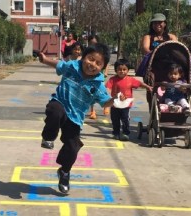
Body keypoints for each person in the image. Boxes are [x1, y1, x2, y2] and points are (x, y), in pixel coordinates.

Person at [38, 43, 119, 194]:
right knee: (54, 111)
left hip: (75, 117)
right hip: (60, 102)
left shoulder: (98, 85)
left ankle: (64, 172)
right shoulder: (72, 66)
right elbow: (59, 65)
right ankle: (48, 137)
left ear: (102, 67)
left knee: (72, 148)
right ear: (83, 57)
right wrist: (45, 60)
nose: (92, 64)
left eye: (98, 63)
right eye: (90, 59)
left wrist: (114, 99)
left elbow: (105, 102)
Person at [136, 13, 178, 110]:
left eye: (160, 22)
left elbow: (177, 48)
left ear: (165, 24)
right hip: (154, 68)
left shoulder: (171, 37)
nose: (157, 25)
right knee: (152, 93)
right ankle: (153, 115)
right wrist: (158, 52)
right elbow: (146, 49)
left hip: (169, 69)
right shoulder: (148, 37)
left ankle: (170, 111)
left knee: (171, 91)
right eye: (155, 23)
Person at [106, 59, 152, 141]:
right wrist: (108, 97)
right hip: (115, 104)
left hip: (126, 105)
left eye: (124, 69)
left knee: (125, 120)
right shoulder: (112, 79)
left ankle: (125, 133)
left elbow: (140, 84)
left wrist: (148, 87)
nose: (122, 71)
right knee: (115, 120)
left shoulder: (130, 80)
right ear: (116, 70)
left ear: (128, 70)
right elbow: (107, 88)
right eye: (119, 69)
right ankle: (116, 133)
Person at [87, 35, 110, 119]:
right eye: (91, 43)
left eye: (94, 43)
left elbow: (107, 63)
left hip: (99, 76)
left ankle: (106, 105)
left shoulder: (101, 51)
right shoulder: (87, 52)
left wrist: (105, 73)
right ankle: (92, 111)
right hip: (89, 75)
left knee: (102, 91)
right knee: (91, 93)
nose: (92, 45)